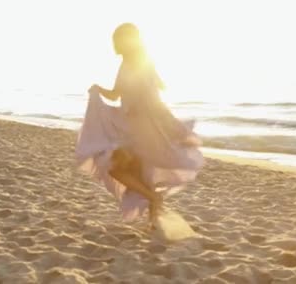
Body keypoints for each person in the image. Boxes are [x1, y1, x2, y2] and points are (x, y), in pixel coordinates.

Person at [76, 23, 203, 228]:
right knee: (139, 170)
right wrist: (98, 90)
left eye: (116, 40)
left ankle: (154, 200)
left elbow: (153, 99)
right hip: (130, 126)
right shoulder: (126, 63)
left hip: (142, 128)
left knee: (118, 168)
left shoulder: (141, 64)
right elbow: (116, 94)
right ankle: (156, 219)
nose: (114, 44)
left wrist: (171, 124)